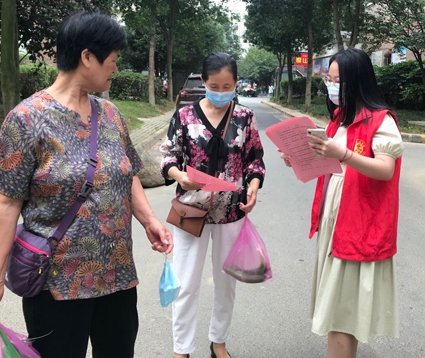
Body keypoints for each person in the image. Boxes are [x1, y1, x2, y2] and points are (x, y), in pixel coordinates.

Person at [0, 11, 173, 358]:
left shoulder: (110, 115)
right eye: (113, 60)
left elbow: (127, 173)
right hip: (56, 285)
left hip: (117, 276)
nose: (116, 68)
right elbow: (5, 203)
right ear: (87, 57)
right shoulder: (27, 119)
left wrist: (150, 219)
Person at [280, 48, 403, 358]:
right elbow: (330, 166)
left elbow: (385, 170)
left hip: (357, 226)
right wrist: (297, 157)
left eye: (339, 81)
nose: (332, 87)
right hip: (335, 223)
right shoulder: (339, 120)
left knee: (340, 312)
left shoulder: (381, 121)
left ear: (358, 81)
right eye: (330, 80)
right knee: (341, 309)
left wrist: (344, 154)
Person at [160, 52, 266, 358]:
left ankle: (218, 342)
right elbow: (168, 156)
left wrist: (253, 186)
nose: (221, 92)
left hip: (231, 211)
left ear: (236, 83)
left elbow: (255, 160)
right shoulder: (184, 116)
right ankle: (182, 349)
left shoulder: (244, 117)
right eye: (215, 86)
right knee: (185, 283)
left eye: (227, 86)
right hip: (191, 211)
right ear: (204, 82)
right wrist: (179, 175)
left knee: (225, 283)